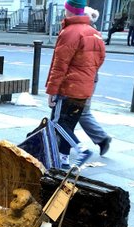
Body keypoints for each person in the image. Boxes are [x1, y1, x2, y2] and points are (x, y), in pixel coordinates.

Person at [45, 0, 106, 169]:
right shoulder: (95, 33)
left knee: (56, 123)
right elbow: (100, 60)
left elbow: (59, 65)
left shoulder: (69, 32)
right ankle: (63, 160)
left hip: (68, 88)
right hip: (85, 89)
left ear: (69, 10)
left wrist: (51, 91)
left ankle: (81, 149)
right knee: (69, 125)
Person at [80, 6, 112, 156]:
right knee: (73, 112)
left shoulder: (84, 34)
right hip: (90, 78)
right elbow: (101, 59)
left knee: (80, 112)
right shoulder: (97, 35)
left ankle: (101, 138)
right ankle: (59, 142)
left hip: (82, 80)